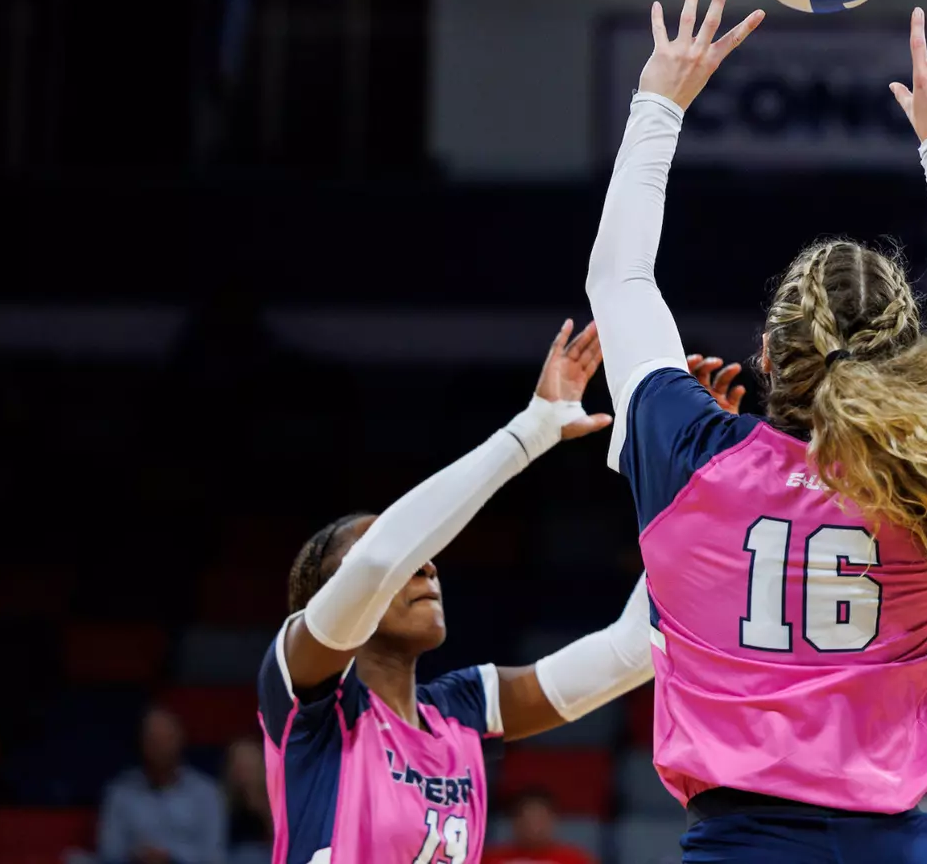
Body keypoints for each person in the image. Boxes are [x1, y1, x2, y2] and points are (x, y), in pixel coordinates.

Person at [586, 0, 927, 862]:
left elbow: (621, 282)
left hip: (738, 846)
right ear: (904, 355)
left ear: (768, 355)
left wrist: (658, 103)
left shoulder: (687, 451)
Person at [258, 320, 656, 864]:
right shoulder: (312, 701)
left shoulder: (460, 710)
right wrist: (530, 432)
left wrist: (696, 498)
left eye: (424, 557)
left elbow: (633, 649)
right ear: (332, 593)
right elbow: (379, 560)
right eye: (404, 555)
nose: (425, 563)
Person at [97, 707, 226, 864]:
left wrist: (171, 857)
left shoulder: (207, 793)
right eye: (153, 740)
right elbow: (109, 852)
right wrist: (138, 855)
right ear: (142, 743)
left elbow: (213, 855)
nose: (159, 747)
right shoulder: (120, 792)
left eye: (166, 739)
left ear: (181, 740)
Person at [482, 790, 596, 864]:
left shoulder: (577, 860)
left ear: (553, 820)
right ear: (514, 822)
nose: (533, 826)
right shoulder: (488, 859)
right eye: (527, 819)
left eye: (540, 819)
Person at [223, 739, 272, 863]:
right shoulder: (222, 802)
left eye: (250, 761)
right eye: (238, 761)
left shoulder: (279, 801)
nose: (244, 767)